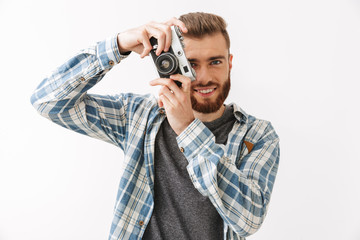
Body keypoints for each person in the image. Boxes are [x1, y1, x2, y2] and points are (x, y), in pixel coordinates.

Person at [31, 12, 280, 240]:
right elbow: (47, 101)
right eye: (192, 64)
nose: (203, 77)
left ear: (230, 62)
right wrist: (118, 45)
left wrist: (187, 129)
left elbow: (249, 219)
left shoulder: (258, 135)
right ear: (170, 62)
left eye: (215, 62)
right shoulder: (139, 116)